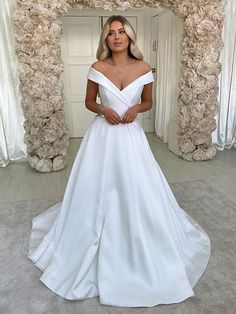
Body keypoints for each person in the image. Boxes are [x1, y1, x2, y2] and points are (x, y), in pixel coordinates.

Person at [28, 15, 211, 308]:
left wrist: (136, 108)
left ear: (129, 37)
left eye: (121, 32)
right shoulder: (97, 68)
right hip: (103, 137)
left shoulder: (143, 68)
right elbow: (89, 101)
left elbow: (148, 101)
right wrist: (103, 110)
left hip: (131, 138)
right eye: (111, 33)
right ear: (106, 39)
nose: (116, 37)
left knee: (139, 188)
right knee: (95, 190)